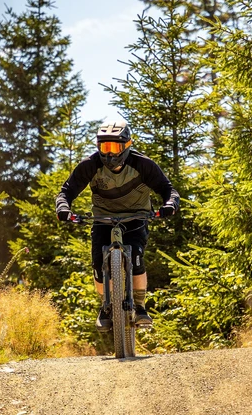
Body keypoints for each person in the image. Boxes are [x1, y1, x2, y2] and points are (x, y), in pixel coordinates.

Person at [55, 120, 179, 330]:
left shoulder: (143, 165)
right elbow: (66, 191)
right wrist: (63, 209)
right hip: (103, 219)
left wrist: (169, 205)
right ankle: (107, 308)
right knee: (97, 264)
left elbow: (168, 190)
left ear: (127, 145)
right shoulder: (90, 165)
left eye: (114, 147)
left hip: (136, 217)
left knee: (137, 258)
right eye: (104, 147)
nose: (109, 154)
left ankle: (140, 308)